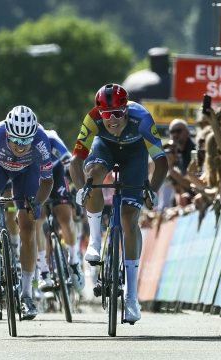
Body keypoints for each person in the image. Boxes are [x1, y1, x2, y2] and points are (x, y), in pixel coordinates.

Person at [69, 83, 168, 324]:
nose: (111, 120)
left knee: (128, 220)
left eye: (116, 113)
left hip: (134, 156)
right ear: (99, 112)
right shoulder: (92, 119)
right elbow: (75, 162)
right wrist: (82, 190)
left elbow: (161, 161)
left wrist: (152, 192)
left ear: (125, 109)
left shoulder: (142, 118)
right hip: (105, 150)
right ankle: (94, 240)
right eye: (106, 114)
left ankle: (132, 298)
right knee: (93, 175)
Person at [0, 105, 54, 320]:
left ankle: (26, 295)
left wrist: (37, 204)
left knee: (28, 224)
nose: (21, 145)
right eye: (16, 140)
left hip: (27, 173)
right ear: (7, 133)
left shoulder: (41, 141)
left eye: (26, 141)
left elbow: (48, 181)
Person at [35, 129, 85, 292]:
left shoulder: (52, 139)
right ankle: (43, 270)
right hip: (35, 178)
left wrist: (77, 194)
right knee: (36, 217)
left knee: (64, 215)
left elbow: (71, 166)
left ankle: (74, 261)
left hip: (56, 173)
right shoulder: (22, 146)